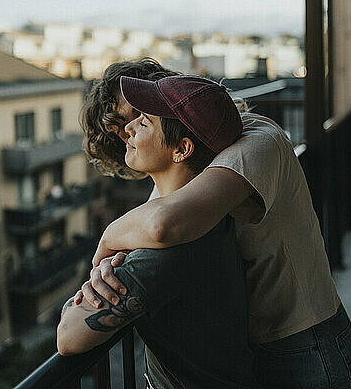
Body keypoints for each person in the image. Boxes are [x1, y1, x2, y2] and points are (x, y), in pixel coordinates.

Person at [75, 58, 351, 389]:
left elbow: (164, 224)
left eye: (140, 113)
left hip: (306, 341)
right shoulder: (178, 176)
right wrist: (104, 270)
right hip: (248, 352)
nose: (129, 131)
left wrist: (108, 238)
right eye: (120, 126)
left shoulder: (255, 138)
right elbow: (150, 231)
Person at [57, 74, 254, 389]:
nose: (129, 129)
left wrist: (80, 295)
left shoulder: (166, 250)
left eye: (144, 122)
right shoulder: (212, 213)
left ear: (181, 149)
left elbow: (68, 337)